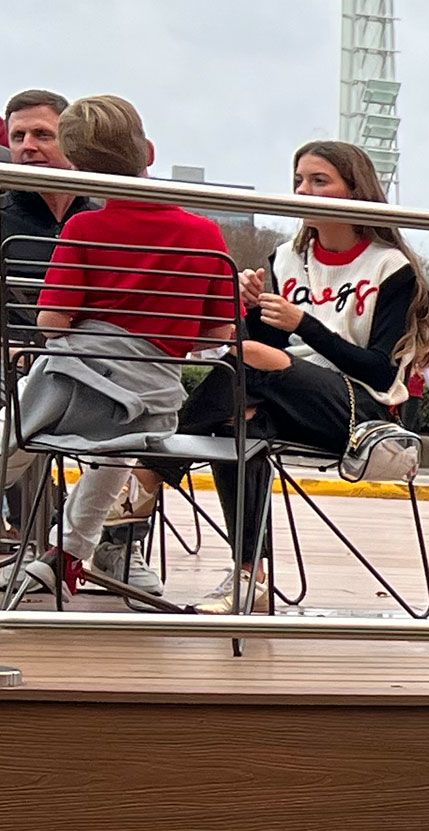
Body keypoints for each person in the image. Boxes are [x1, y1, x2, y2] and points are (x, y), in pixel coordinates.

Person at [136, 140, 429, 614]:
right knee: (241, 427)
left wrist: (304, 325)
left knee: (250, 366)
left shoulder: (389, 266)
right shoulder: (285, 259)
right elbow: (261, 349)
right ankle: (250, 578)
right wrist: (250, 308)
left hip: (359, 410)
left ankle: (149, 473)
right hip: (282, 394)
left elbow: (381, 369)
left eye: (319, 181)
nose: (303, 190)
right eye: (298, 180)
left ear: (355, 190)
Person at [4, 95, 230, 605]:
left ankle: (51, 554)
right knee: (117, 454)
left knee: (15, 433)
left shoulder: (85, 228)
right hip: (151, 405)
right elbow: (216, 336)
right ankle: (67, 556)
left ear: (78, 168)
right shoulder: (206, 233)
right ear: (148, 151)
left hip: (70, 393)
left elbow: (51, 322)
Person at [2, 88, 98, 539]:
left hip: (94, 365)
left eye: (42, 134)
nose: (26, 146)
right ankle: (30, 536)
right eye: (17, 135)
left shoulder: (105, 216)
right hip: (11, 362)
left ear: (72, 141)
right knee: (21, 388)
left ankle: (112, 542)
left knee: (144, 393)